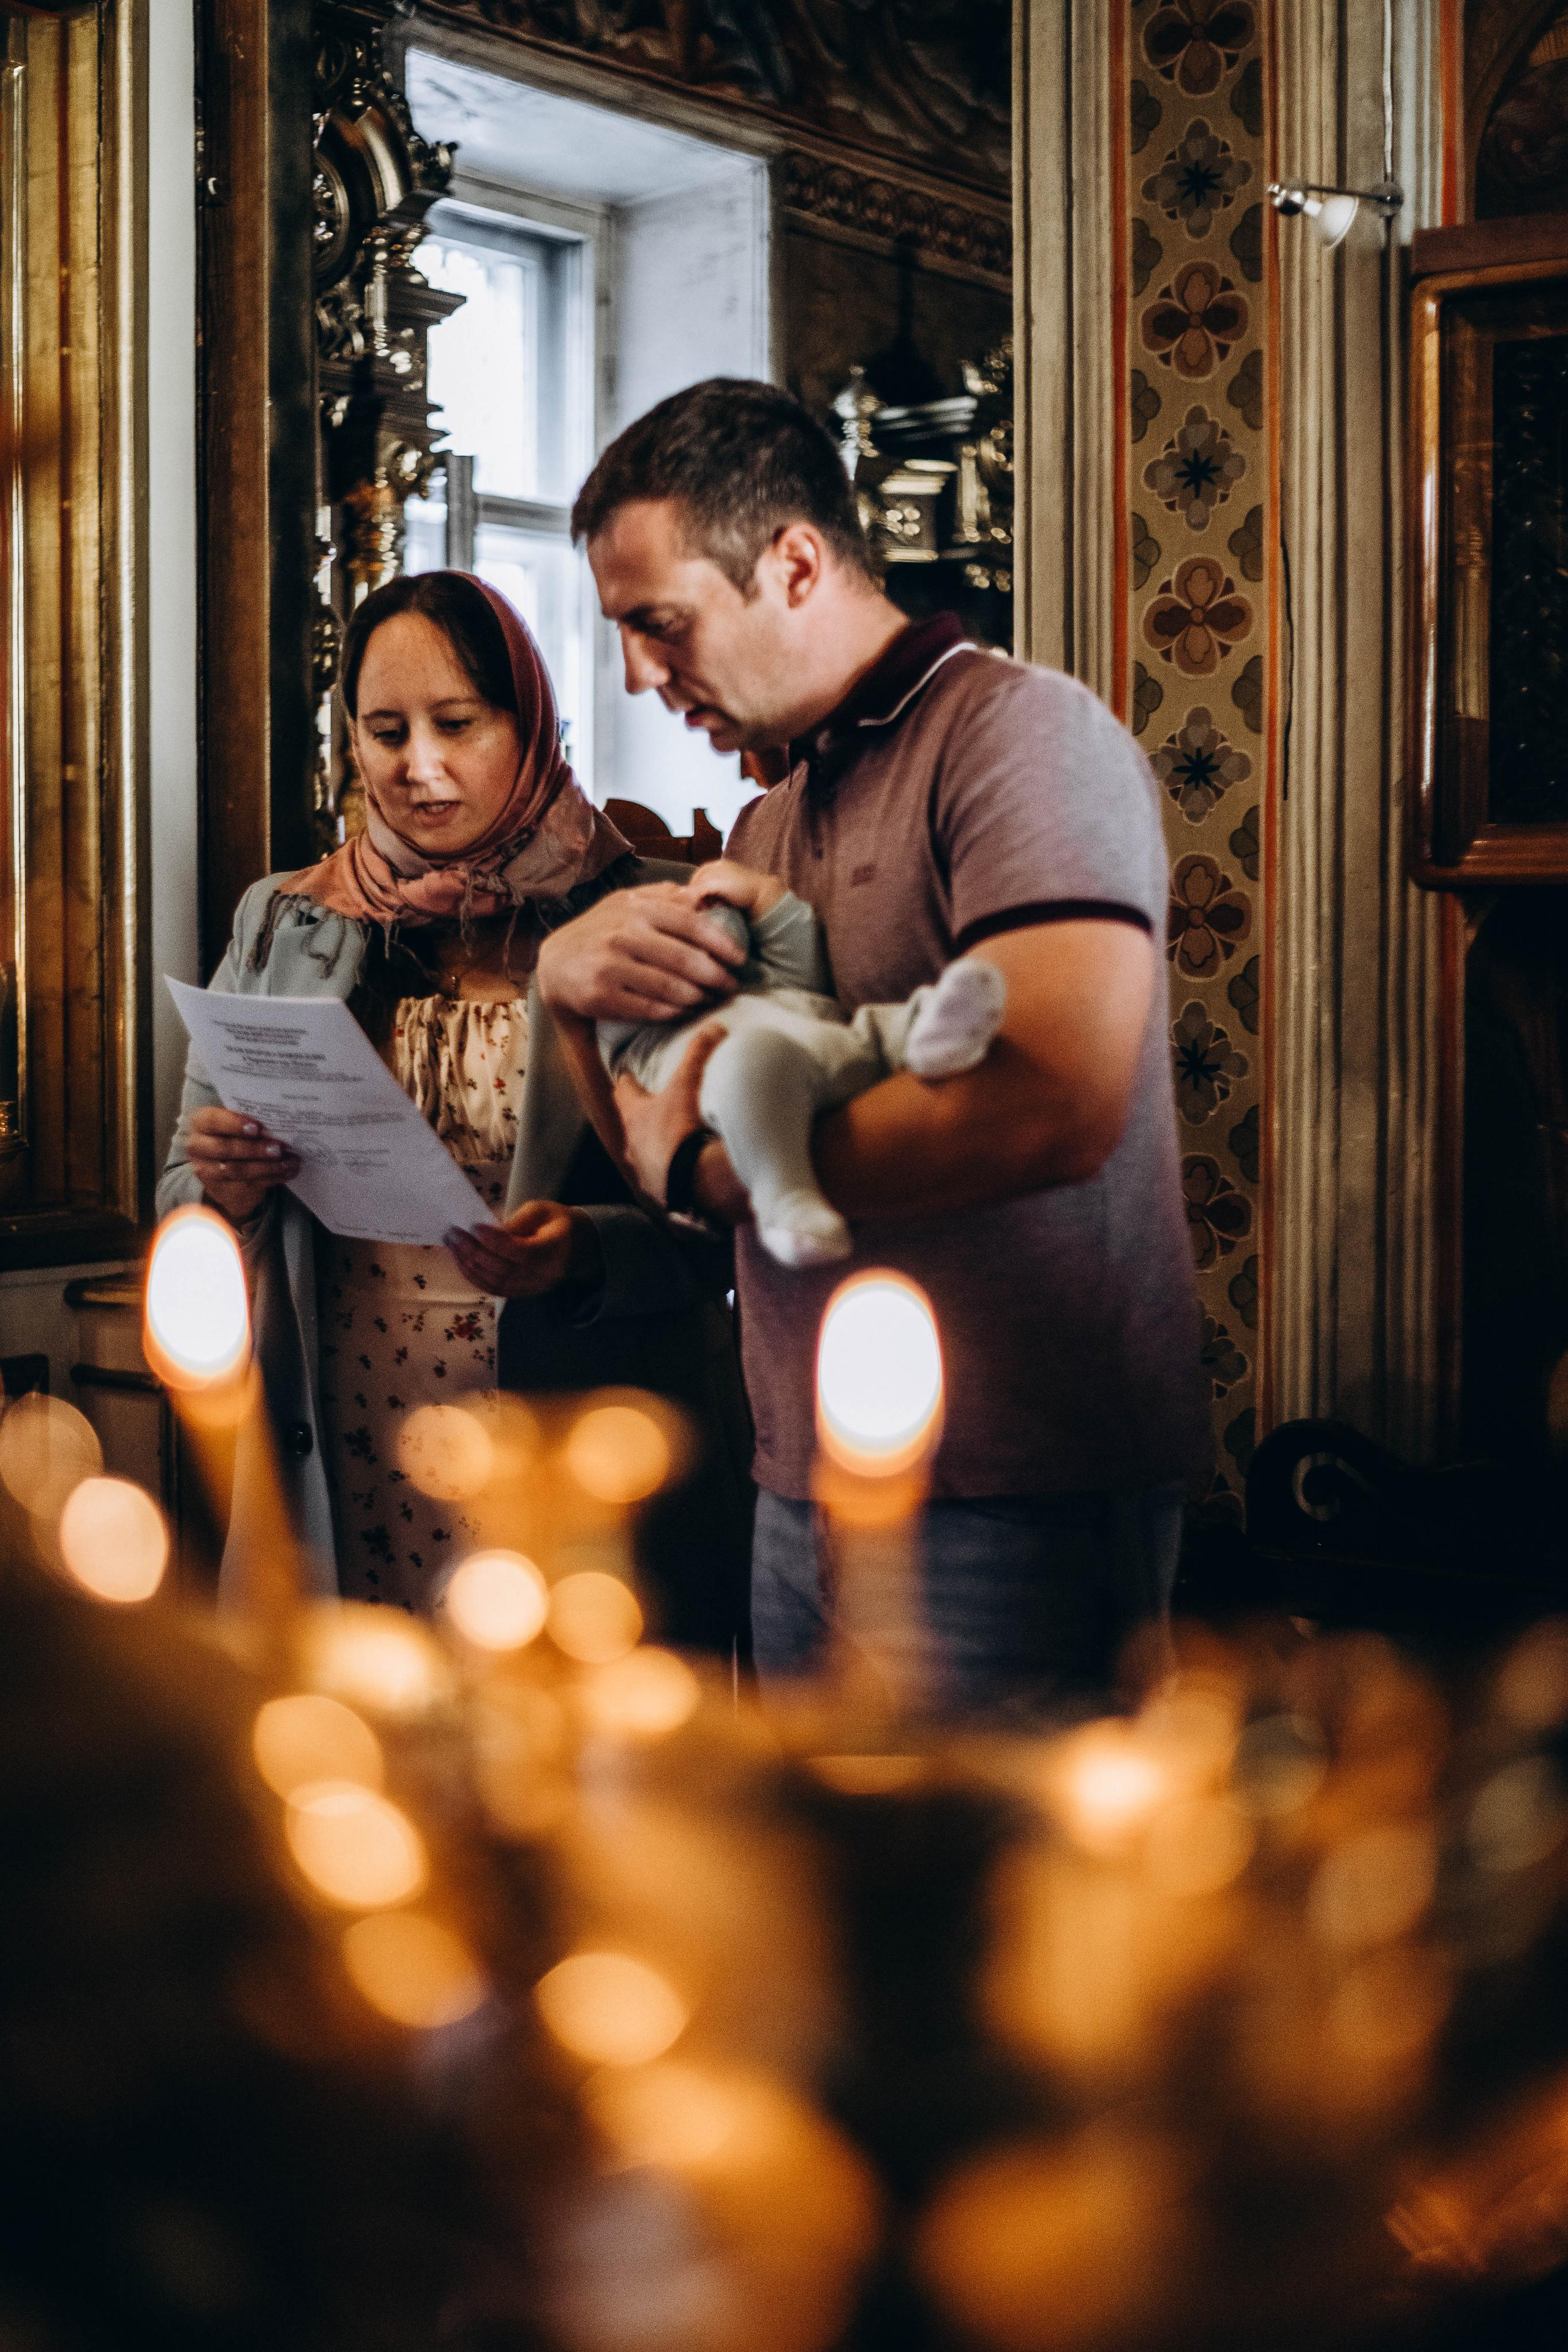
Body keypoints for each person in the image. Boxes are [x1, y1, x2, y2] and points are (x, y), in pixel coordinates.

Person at [535, 378, 1208, 1719]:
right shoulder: (764, 830)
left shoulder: (1020, 734)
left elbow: (1051, 1103)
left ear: (791, 563)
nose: (634, 676)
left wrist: (736, 1178)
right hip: (792, 1473)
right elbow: (669, 1165)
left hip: (1021, 1477)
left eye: (657, 626)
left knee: (999, 1914)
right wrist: (561, 1004)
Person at [157, 570, 750, 1642]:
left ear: (531, 724)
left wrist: (587, 1253)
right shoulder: (286, 919)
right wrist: (223, 1186)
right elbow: (179, 1204)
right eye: (384, 730)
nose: (417, 767)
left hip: (572, 1437)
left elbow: (738, 1226)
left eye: (457, 724)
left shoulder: (651, 916)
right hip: (341, 1437)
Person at [594, 854, 1006, 1267]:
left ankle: (935, 1037)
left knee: (877, 1027)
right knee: (751, 1068)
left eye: (700, 905)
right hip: (757, 1084)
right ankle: (788, 1206)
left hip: (838, 1049)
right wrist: (593, 962)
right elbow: (604, 1015)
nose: (693, 904)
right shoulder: (645, 1037)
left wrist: (764, 895)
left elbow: (801, 956)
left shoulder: (757, 975)